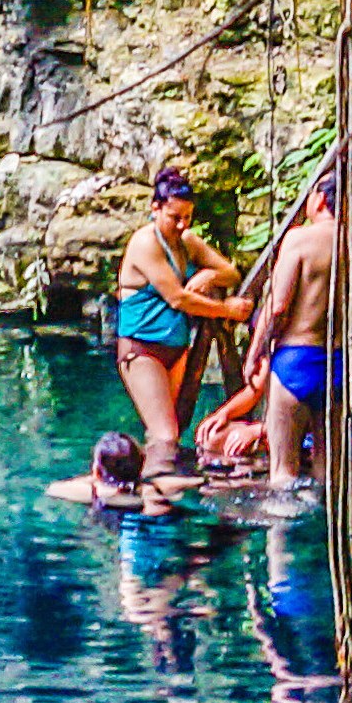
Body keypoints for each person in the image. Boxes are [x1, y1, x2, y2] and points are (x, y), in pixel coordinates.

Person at [200, 166, 352, 488]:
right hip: (339, 366)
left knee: (283, 475)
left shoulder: (299, 240)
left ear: (321, 199)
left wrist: (254, 353)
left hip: (296, 360)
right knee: (329, 476)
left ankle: (279, 537)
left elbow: (277, 306)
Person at [112, 165, 252, 478]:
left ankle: (148, 483)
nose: (181, 224)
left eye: (187, 217)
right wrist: (228, 311)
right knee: (166, 435)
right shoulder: (145, 242)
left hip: (176, 348)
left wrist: (209, 274)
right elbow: (178, 298)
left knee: (165, 429)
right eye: (174, 216)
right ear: (155, 208)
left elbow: (231, 271)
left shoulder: (187, 242)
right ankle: (147, 500)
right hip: (143, 349)